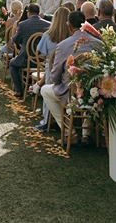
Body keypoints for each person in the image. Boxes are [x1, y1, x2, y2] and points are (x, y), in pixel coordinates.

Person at [39, 11, 102, 145]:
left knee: (45, 90)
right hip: (96, 93)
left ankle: (69, 133)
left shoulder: (63, 45)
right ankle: (86, 132)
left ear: (69, 26)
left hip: (70, 94)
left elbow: (55, 76)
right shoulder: (99, 44)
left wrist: (56, 81)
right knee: (90, 90)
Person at [33, 7, 71, 131]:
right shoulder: (71, 37)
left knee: (47, 92)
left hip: (52, 71)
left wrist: (49, 59)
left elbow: (40, 54)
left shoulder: (48, 35)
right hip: (69, 72)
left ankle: (47, 121)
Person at [8, 4, 50, 97]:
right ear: (39, 13)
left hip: (25, 60)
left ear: (28, 13)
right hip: (42, 62)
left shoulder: (23, 24)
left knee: (12, 63)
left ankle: (19, 90)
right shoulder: (48, 24)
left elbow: (15, 40)